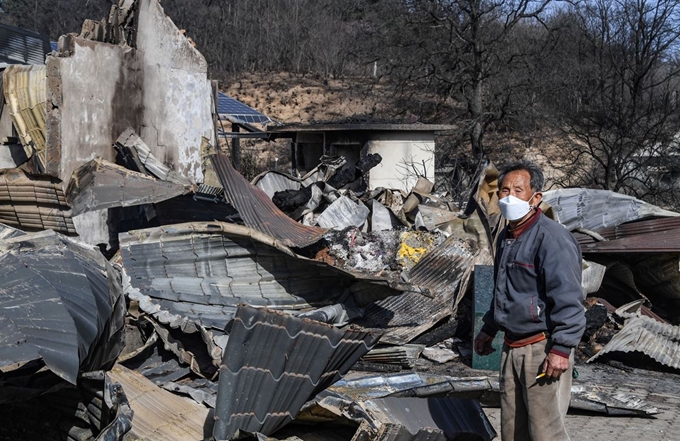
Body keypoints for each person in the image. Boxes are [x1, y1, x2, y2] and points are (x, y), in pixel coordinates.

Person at [474, 161, 585, 441]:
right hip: (511, 346)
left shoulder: (551, 238)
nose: (508, 197)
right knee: (513, 430)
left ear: (536, 198)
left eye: (518, 190)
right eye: (503, 190)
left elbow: (569, 297)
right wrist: (490, 328)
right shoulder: (506, 237)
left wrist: (561, 349)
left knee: (545, 432)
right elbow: (504, 289)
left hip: (542, 348)